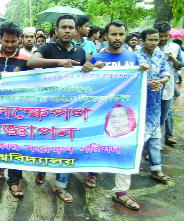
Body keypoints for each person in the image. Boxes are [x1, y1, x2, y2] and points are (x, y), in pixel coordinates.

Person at [27, 14, 95, 203]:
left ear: (75, 30)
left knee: (67, 146)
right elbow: (31, 62)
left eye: (70, 28)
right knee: (46, 143)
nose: (67, 31)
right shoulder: (47, 48)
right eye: (63, 27)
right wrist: (58, 63)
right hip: (48, 109)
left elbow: (84, 76)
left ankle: (60, 184)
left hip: (72, 110)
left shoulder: (80, 52)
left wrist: (92, 67)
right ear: (56, 31)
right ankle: (41, 168)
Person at [89, 20, 145, 210]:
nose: (118, 38)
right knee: (97, 143)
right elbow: (84, 86)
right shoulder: (97, 58)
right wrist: (91, 69)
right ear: (106, 35)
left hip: (125, 114)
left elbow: (136, 84)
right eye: (114, 34)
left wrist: (145, 76)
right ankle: (93, 172)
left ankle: (121, 191)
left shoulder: (133, 57)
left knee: (124, 147)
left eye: (121, 34)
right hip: (101, 113)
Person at [0, 21, 35, 197]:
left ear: (19, 40)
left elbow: (38, 82)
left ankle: (14, 181)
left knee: (15, 146)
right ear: (0, 39)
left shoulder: (27, 59)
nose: (10, 45)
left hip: (18, 112)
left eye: (13, 41)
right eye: (6, 41)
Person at [136, 28, 171, 181]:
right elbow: (130, 76)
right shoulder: (135, 56)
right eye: (150, 39)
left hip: (155, 101)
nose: (153, 42)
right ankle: (127, 166)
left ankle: (156, 168)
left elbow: (166, 74)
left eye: (156, 40)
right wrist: (146, 83)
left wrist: (159, 81)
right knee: (136, 134)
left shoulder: (160, 55)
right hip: (138, 101)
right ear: (142, 40)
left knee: (156, 135)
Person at [154, 22, 183, 146]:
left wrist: (173, 59)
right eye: (161, 36)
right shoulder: (151, 46)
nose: (163, 39)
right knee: (153, 114)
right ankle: (152, 144)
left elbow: (180, 66)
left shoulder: (175, 48)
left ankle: (160, 142)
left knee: (164, 115)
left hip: (169, 86)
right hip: (153, 86)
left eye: (166, 36)